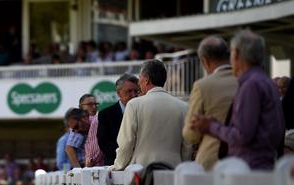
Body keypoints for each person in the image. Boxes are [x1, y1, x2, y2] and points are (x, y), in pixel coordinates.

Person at [191, 30, 285, 170]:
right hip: (264, 165)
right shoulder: (266, 81)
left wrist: (211, 127)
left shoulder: (251, 85)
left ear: (237, 54)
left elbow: (242, 136)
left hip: (249, 169)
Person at [113, 59, 189, 170]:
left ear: (147, 80)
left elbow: (126, 143)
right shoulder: (184, 106)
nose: (139, 83)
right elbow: (187, 146)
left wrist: (118, 166)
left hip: (142, 174)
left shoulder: (134, 105)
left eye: (140, 78)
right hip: (174, 171)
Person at [182, 36, 238, 171]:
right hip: (244, 163)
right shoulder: (246, 81)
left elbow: (191, 135)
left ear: (204, 61)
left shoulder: (202, 86)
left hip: (212, 162)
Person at [97, 74, 140, 165]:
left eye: (136, 91)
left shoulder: (144, 111)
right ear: (118, 93)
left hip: (140, 163)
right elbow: (104, 142)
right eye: (129, 91)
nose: (133, 95)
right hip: (115, 164)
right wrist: (124, 155)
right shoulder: (105, 114)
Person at [80, 94, 104, 167]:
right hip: (87, 166)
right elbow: (69, 148)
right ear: (81, 106)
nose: (94, 107)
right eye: (90, 104)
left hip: (97, 165)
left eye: (95, 104)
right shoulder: (79, 122)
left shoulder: (98, 119)